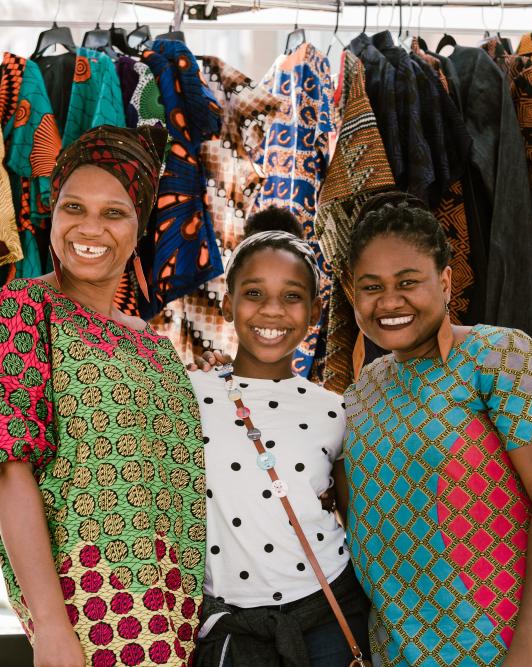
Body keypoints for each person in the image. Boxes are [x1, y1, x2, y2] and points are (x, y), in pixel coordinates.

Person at [0, 125, 207, 667]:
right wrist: (51, 627)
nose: (90, 228)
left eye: (114, 213)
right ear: (53, 216)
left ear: (139, 227)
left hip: (173, 623)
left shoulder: (155, 349)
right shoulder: (22, 312)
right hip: (89, 620)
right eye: (73, 208)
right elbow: (8, 471)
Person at [344, 194, 532, 666]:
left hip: (505, 640)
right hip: (399, 647)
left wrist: (530, 647)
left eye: (408, 282)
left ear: (447, 282)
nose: (389, 301)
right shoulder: (364, 388)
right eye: (370, 287)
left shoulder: (504, 357)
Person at [190, 207, 370, 666]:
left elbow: (350, 512)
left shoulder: (333, 408)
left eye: (291, 296)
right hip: (237, 626)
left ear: (313, 311)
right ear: (228, 303)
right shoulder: (188, 394)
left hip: (329, 610)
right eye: (254, 293)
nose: (272, 310)